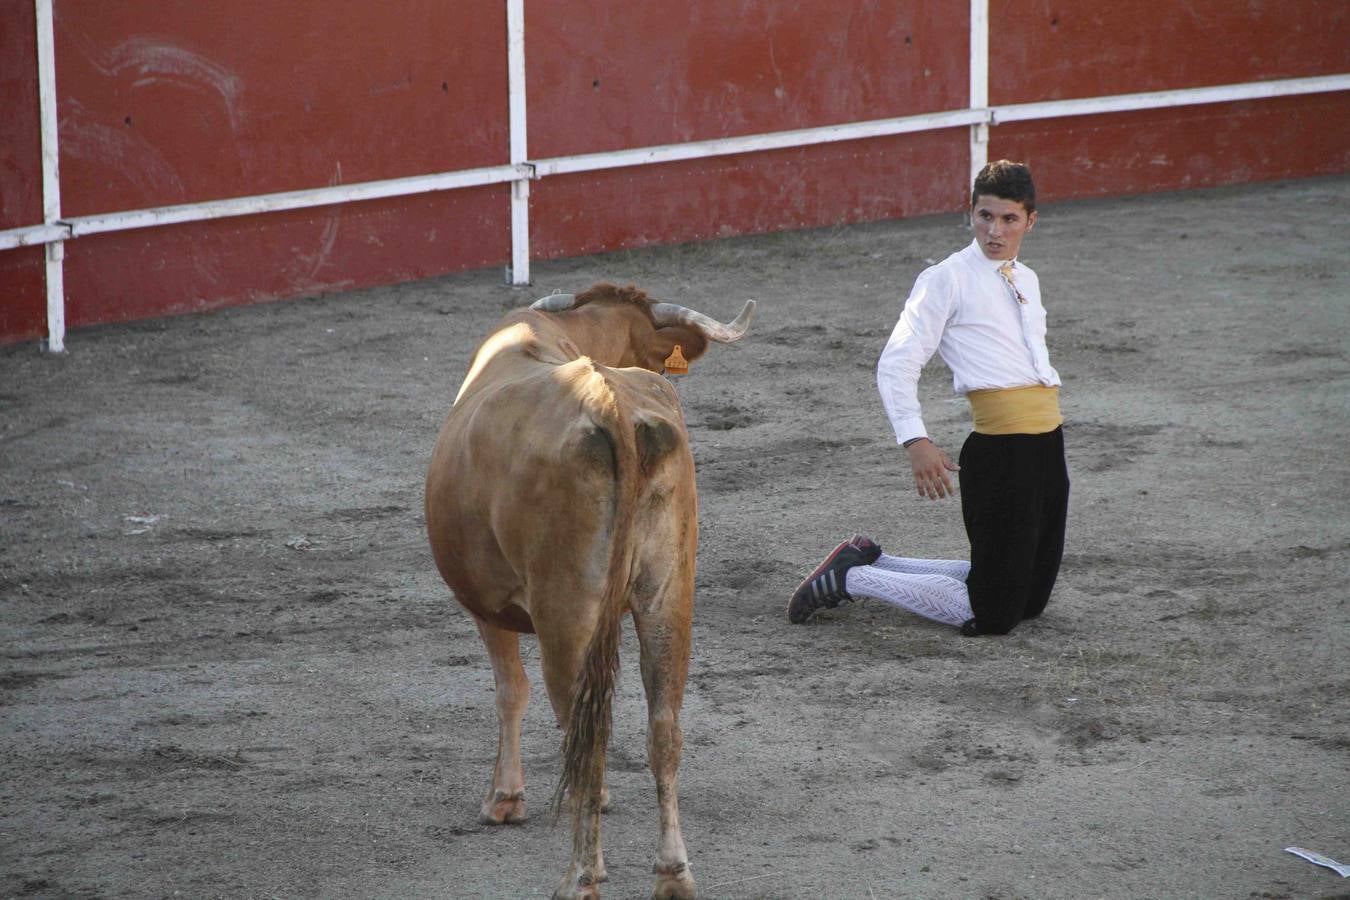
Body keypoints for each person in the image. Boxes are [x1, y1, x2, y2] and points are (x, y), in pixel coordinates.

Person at [786, 160, 1069, 636]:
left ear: (1030, 221)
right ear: (971, 212)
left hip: (1046, 445)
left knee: (1031, 600)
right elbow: (896, 362)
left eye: (1009, 219)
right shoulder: (946, 278)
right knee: (994, 614)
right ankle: (852, 577)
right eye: (985, 216)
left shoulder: (1027, 279)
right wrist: (915, 439)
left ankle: (875, 560)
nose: (994, 231)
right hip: (1001, 451)